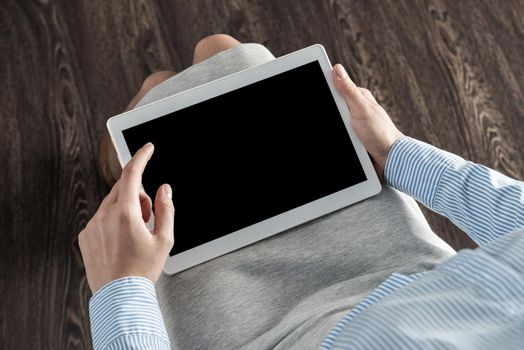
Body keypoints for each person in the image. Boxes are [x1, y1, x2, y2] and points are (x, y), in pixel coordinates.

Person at [79, 35, 524, 350]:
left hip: (257, 334)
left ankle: (116, 156)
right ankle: (128, 140)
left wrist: (123, 288)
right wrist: (393, 152)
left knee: (163, 86)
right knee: (222, 50)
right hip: (403, 273)